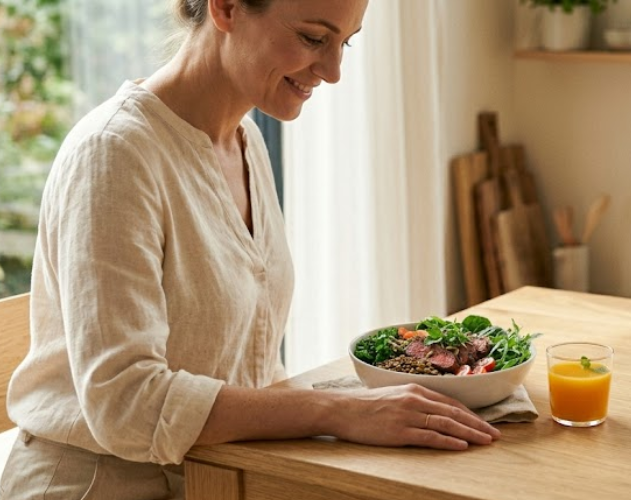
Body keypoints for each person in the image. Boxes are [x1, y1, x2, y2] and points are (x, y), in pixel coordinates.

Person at [0, 1, 500, 498]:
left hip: (221, 476)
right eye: (312, 38)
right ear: (226, 8)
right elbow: (125, 406)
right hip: (99, 487)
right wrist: (339, 412)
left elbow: (250, 365)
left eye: (344, 43)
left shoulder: (244, 140)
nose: (333, 72)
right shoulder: (114, 154)